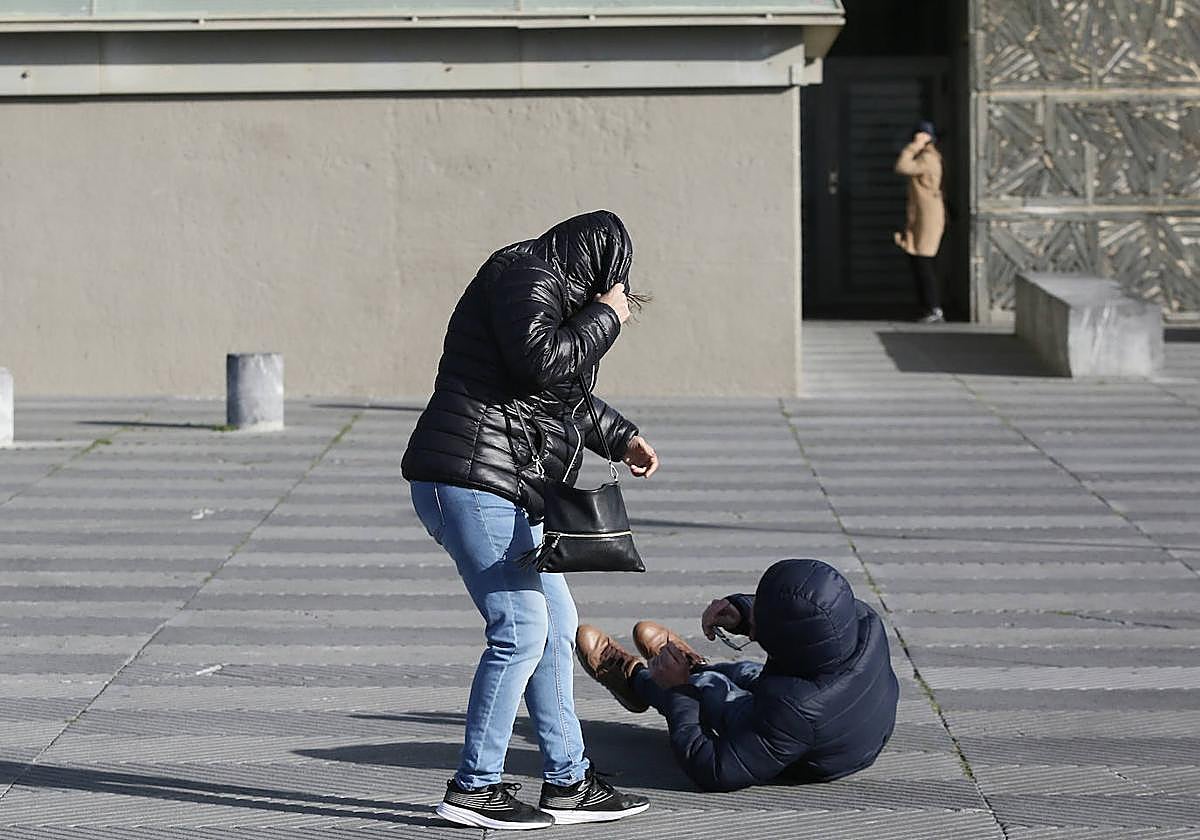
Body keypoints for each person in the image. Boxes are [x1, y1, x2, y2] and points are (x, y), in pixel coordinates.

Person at [402, 210, 658, 830]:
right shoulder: (525, 276)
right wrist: (608, 317)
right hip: (470, 478)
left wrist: (619, 437)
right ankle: (474, 788)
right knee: (519, 627)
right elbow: (541, 363)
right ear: (598, 268)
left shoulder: (542, 284)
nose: (614, 300)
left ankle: (568, 782)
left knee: (556, 623)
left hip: (503, 483)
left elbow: (558, 393)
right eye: (613, 287)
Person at [575, 558, 899, 792]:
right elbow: (804, 613)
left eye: (761, 617)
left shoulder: (794, 710)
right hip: (850, 726)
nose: (754, 614)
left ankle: (636, 679)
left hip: (810, 755)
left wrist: (679, 692)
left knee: (713, 693)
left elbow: (714, 769)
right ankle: (695, 667)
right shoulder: (861, 620)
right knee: (746, 672)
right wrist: (743, 611)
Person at [893, 119, 947, 323]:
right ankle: (928, 307)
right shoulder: (928, 156)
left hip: (928, 217)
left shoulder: (928, 158)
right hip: (923, 215)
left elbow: (902, 166)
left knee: (923, 262)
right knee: (919, 262)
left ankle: (934, 308)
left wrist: (915, 145)